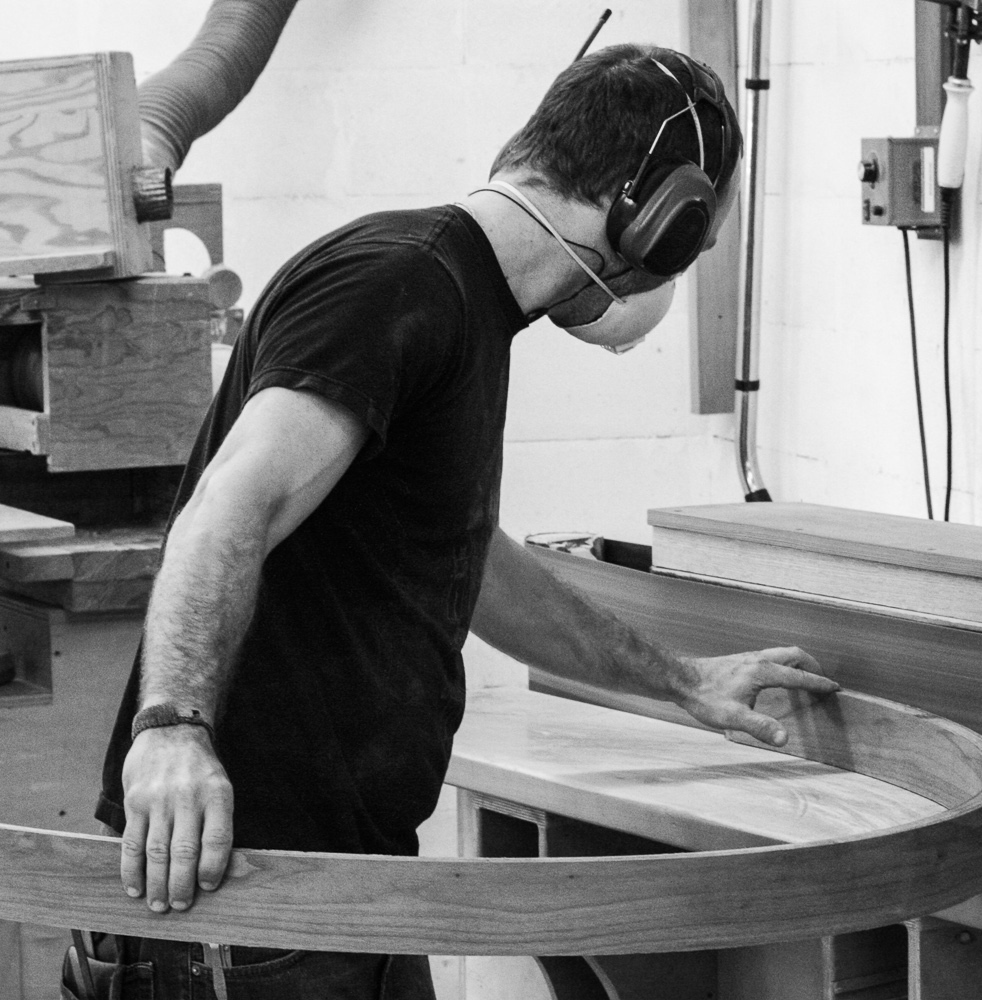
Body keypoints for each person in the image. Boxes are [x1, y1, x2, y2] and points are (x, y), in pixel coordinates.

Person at [72, 42, 836, 1000]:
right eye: (695, 240)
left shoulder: (461, 305)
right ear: (655, 217)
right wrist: (172, 727)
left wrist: (683, 681)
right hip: (243, 911)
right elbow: (228, 508)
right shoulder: (396, 285)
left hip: (347, 895)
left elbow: (468, 560)